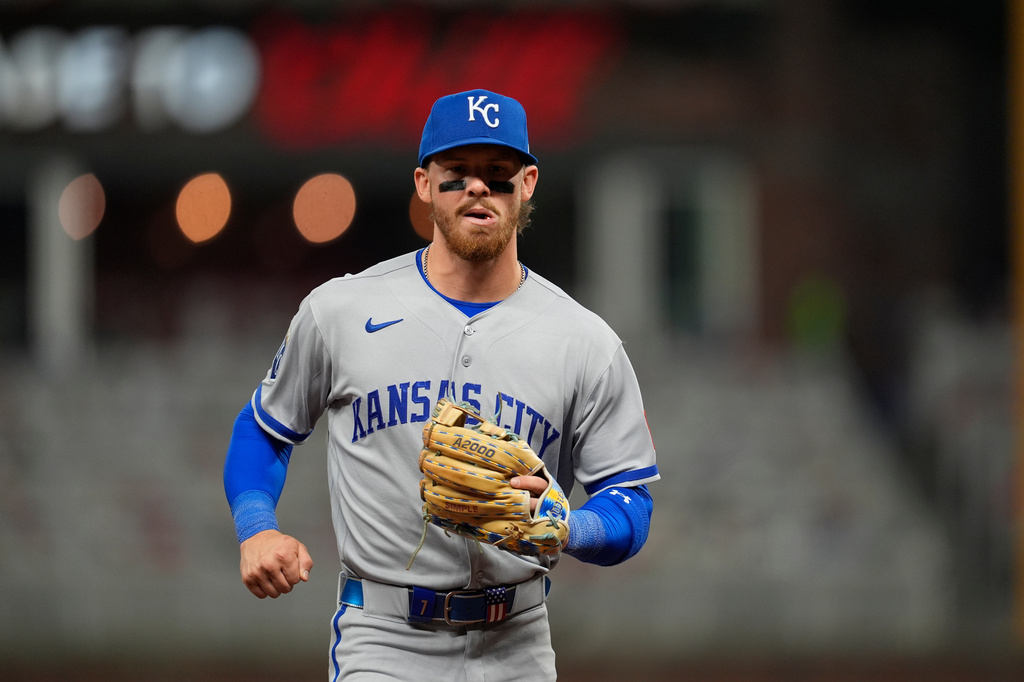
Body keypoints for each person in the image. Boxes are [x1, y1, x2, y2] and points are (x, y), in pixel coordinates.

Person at [223, 89, 660, 681]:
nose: (477, 187)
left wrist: (570, 525)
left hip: (518, 642)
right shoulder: (342, 310)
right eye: (457, 172)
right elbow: (263, 429)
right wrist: (258, 528)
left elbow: (631, 504)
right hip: (383, 639)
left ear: (527, 183)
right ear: (424, 183)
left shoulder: (584, 340)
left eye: (497, 174)